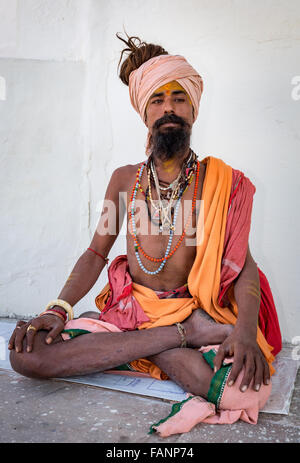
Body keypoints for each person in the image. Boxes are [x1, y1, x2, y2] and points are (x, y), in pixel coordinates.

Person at [8, 34, 282, 436]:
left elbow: (242, 266)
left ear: (193, 108)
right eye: (157, 99)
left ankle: (157, 340)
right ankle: (178, 338)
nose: (169, 107)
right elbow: (95, 253)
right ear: (144, 112)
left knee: (244, 391)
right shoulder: (124, 181)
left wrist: (242, 333)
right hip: (133, 311)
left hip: (194, 307)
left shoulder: (220, 181)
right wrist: (58, 308)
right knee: (26, 357)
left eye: (178, 97)